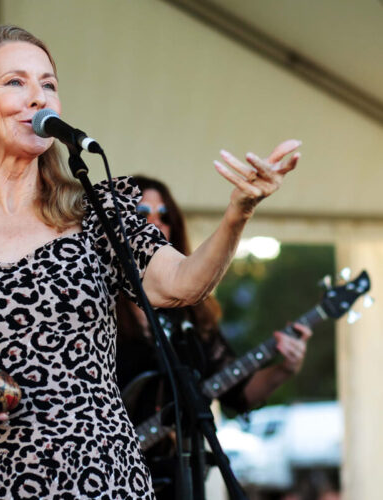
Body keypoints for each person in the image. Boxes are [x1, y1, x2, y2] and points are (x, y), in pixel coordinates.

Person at [0, 25, 301, 500]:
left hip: (98, 476)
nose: (38, 97)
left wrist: (238, 213)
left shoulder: (97, 215)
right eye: (15, 82)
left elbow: (183, 284)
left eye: (49, 84)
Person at [116, 176, 312, 498]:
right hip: (113, 478)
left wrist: (284, 369)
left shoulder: (193, 313)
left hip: (181, 480)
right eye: (141, 213)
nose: (155, 223)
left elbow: (240, 392)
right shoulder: (96, 305)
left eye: (164, 215)